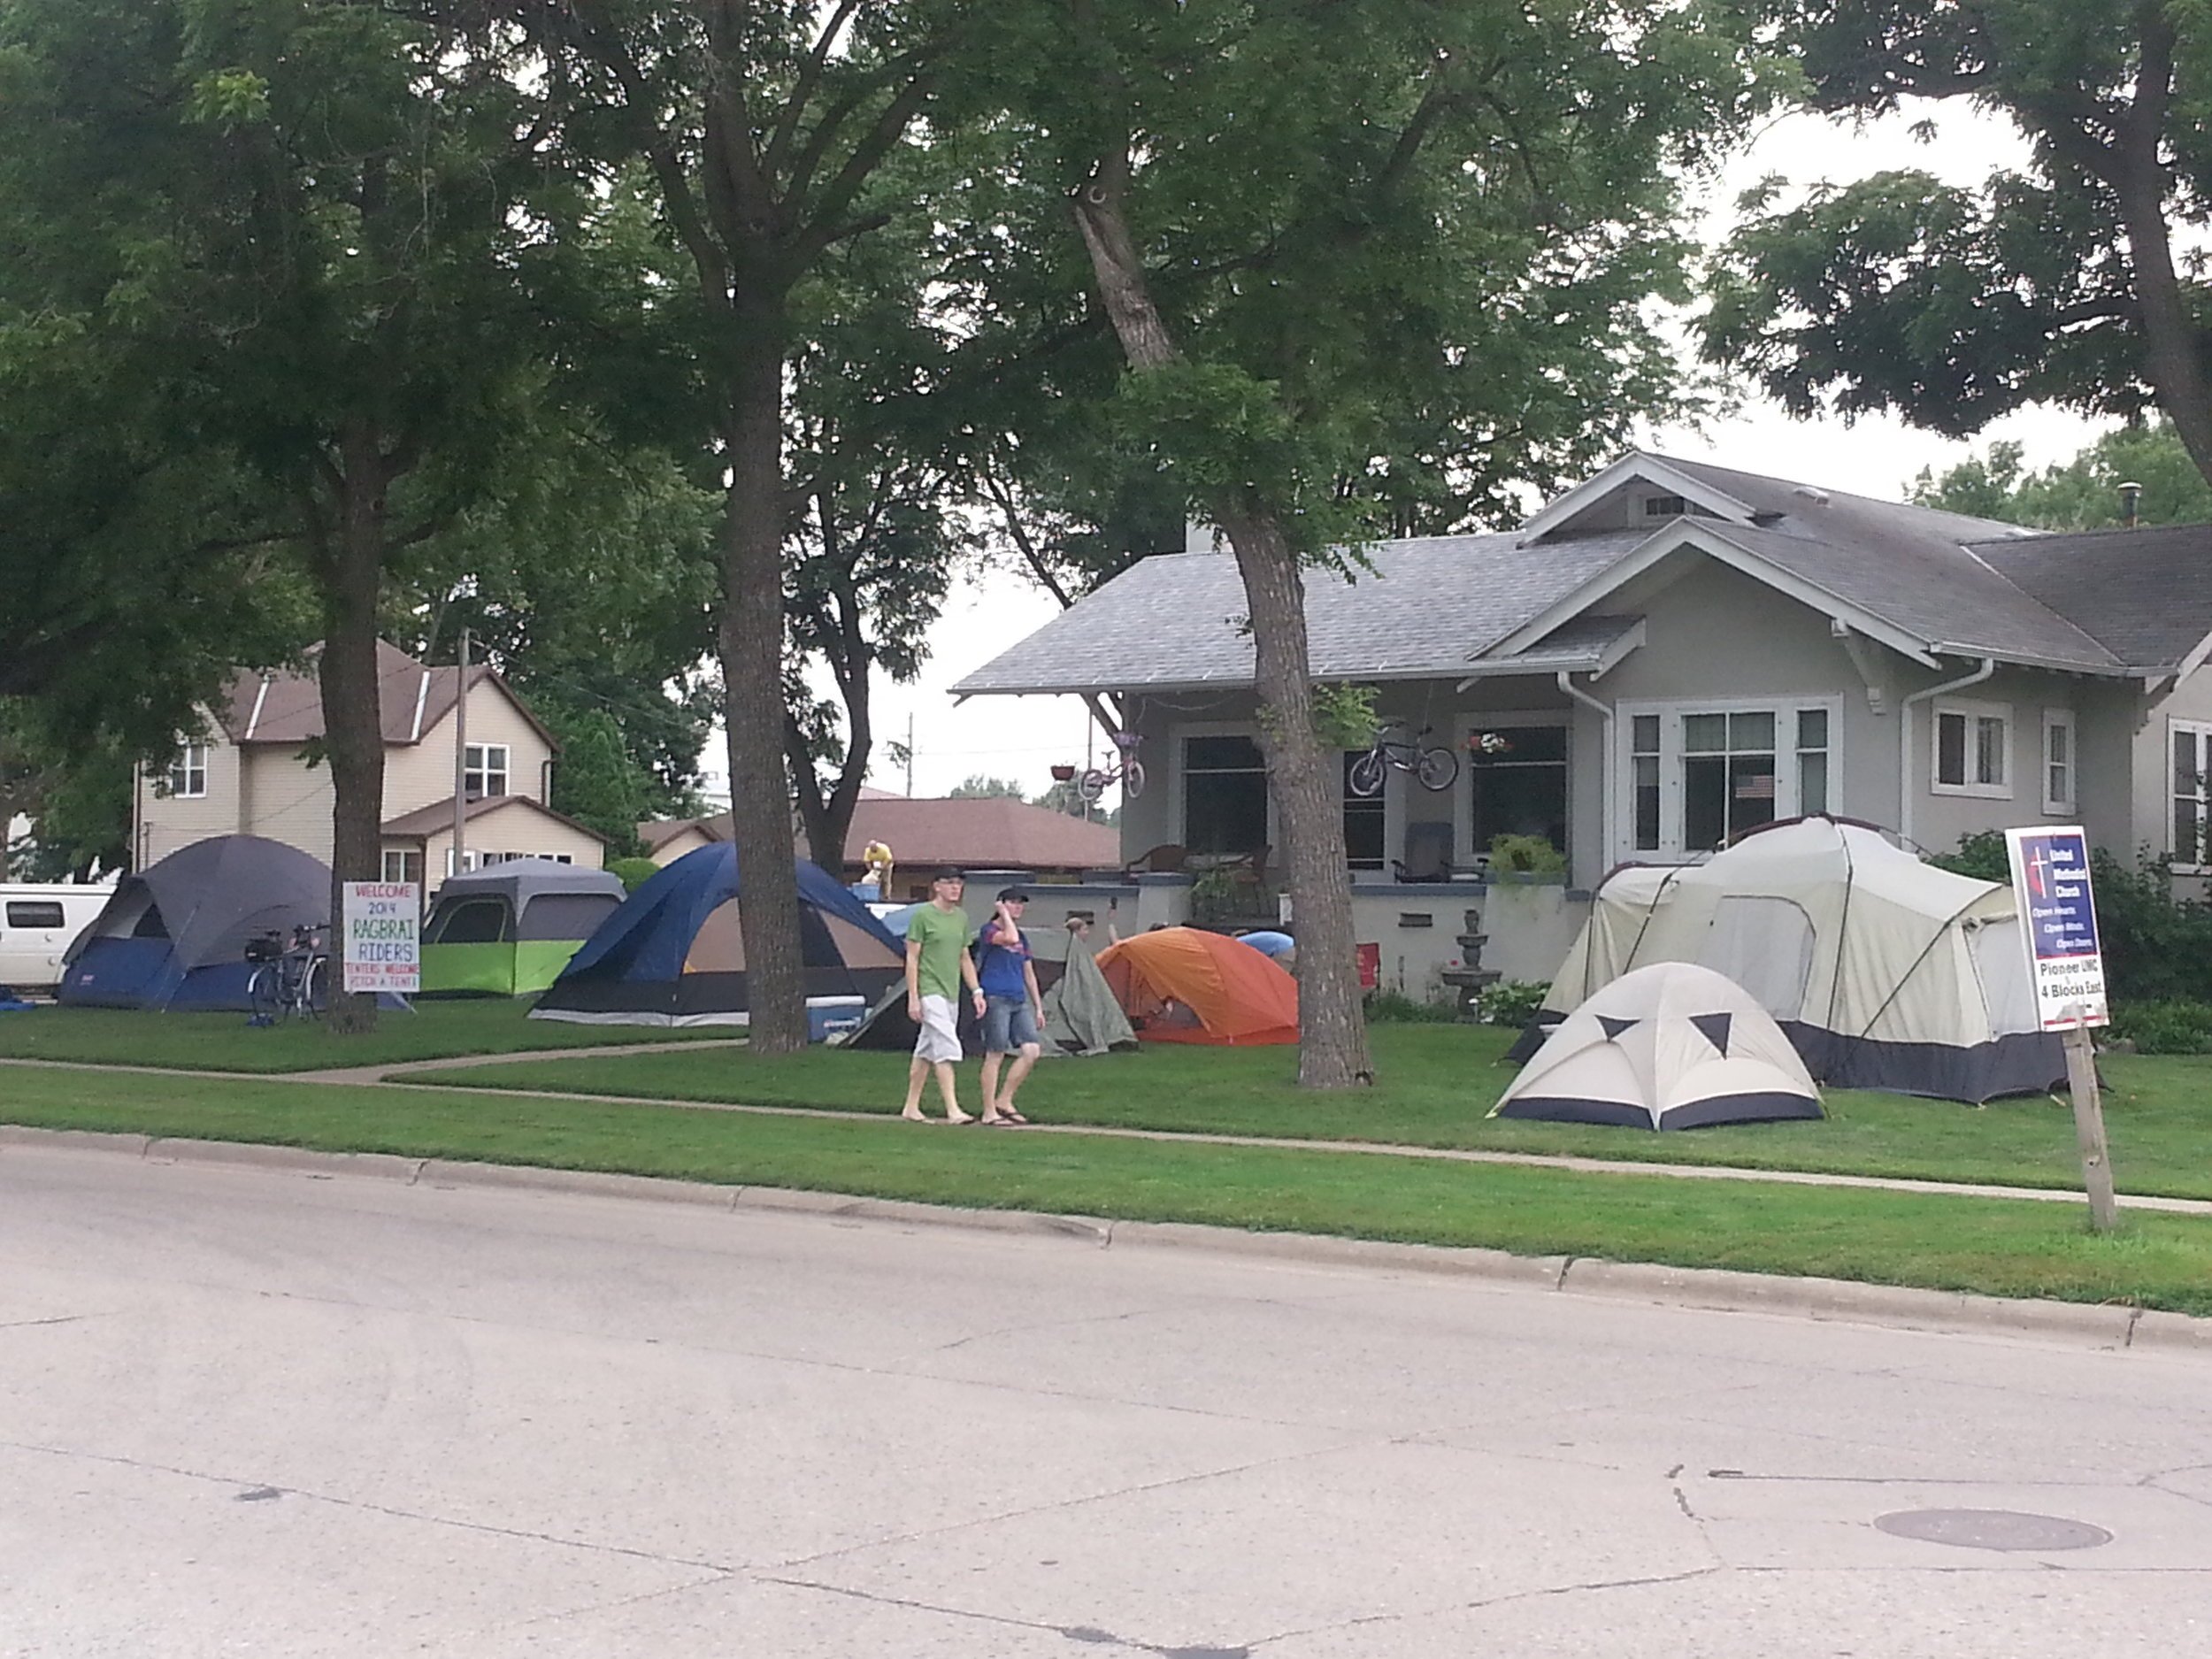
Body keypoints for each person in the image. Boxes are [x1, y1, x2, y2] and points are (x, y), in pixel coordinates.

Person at [901, 869, 985, 1124]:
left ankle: (911, 1107)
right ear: (936, 886)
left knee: (925, 1050)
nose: (955, 888)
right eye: (949, 883)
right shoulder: (922, 916)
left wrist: (976, 990)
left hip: (951, 991)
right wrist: (914, 997)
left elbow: (964, 957)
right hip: (929, 990)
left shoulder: (961, 918)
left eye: (959, 884)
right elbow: (912, 958)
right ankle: (953, 1109)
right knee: (946, 1046)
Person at [974, 887, 1045, 1125]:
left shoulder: (1022, 936)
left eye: (1020, 904)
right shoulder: (989, 931)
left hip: (1017, 998)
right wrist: (1002, 916)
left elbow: (1028, 971)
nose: (1018, 907)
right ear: (1001, 905)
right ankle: (988, 1111)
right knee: (996, 1053)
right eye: (1013, 903)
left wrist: (1038, 1006)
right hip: (996, 996)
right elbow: (1010, 938)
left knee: (1031, 1050)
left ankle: (1004, 1099)